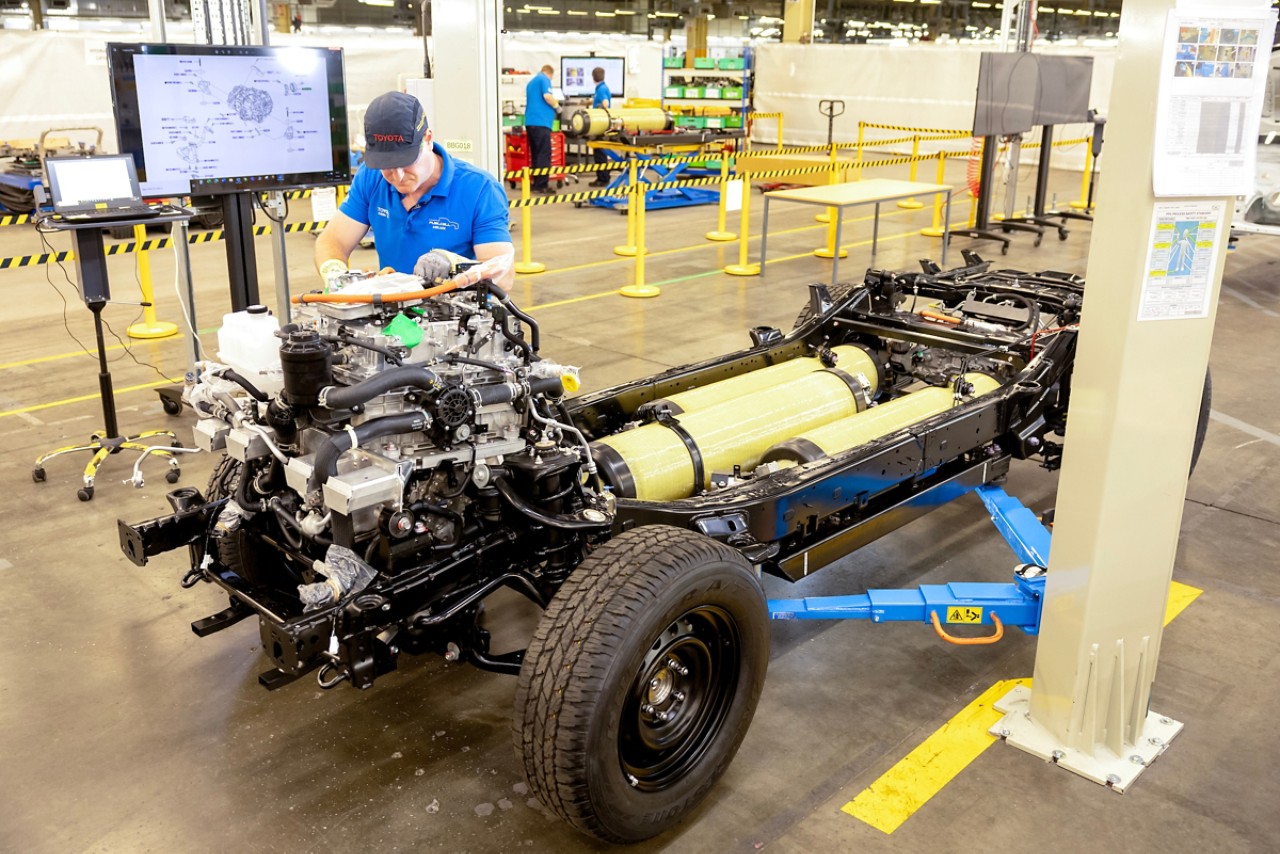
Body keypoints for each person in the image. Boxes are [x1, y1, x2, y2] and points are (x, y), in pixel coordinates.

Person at [315, 91, 514, 288]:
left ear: (428, 139)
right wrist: (336, 274)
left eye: (406, 162)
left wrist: (454, 265)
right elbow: (333, 241)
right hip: (393, 315)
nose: (398, 176)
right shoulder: (371, 177)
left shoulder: (480, 190)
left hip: (457, 314)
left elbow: (503, 275)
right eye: (388, 166)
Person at [524, 64, 559, 194]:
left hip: (530, 122)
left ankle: (536, 183)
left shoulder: (531, 82)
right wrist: (557, 106)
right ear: (550, 74)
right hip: (541, 122)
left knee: (536, 154)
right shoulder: (544, 79)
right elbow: (547, 96)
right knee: (544, 153)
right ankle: (542, 185)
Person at [590, 66, 612, 187]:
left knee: (599, 152)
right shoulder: (602, 88)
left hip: (600, 124)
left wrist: (599, 110)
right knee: (599, 151)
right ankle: (602, 176)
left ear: (593, 78)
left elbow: (605, 103)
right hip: (602, 123)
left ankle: (603, 178)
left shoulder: (601, 89)